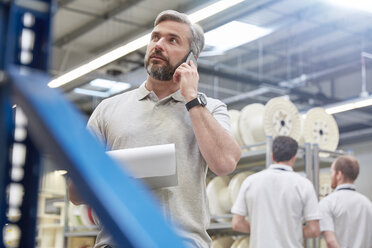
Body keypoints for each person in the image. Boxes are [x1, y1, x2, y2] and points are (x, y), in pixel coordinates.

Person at [68, 9, 241, 248]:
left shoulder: (209, 108)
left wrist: (191, 98)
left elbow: (225, 163)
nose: (158, 45)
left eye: (172, 40)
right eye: (155, 37)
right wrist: (109, 172)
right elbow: (75, 193)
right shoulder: (107, 109)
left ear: (191, 59)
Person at [231, 136, 321, 248]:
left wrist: (262, 230)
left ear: (272, 156)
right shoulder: (304, 185)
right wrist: (290, 231)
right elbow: (314, 230)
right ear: (294, 157)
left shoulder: (250, 182)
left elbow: (237, 223)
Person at [319, 155, 372, 248]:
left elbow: (331, 241)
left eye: (332, 172)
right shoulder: (368, 204)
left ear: (339, 175)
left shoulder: (328, 203)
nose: (331, 175)